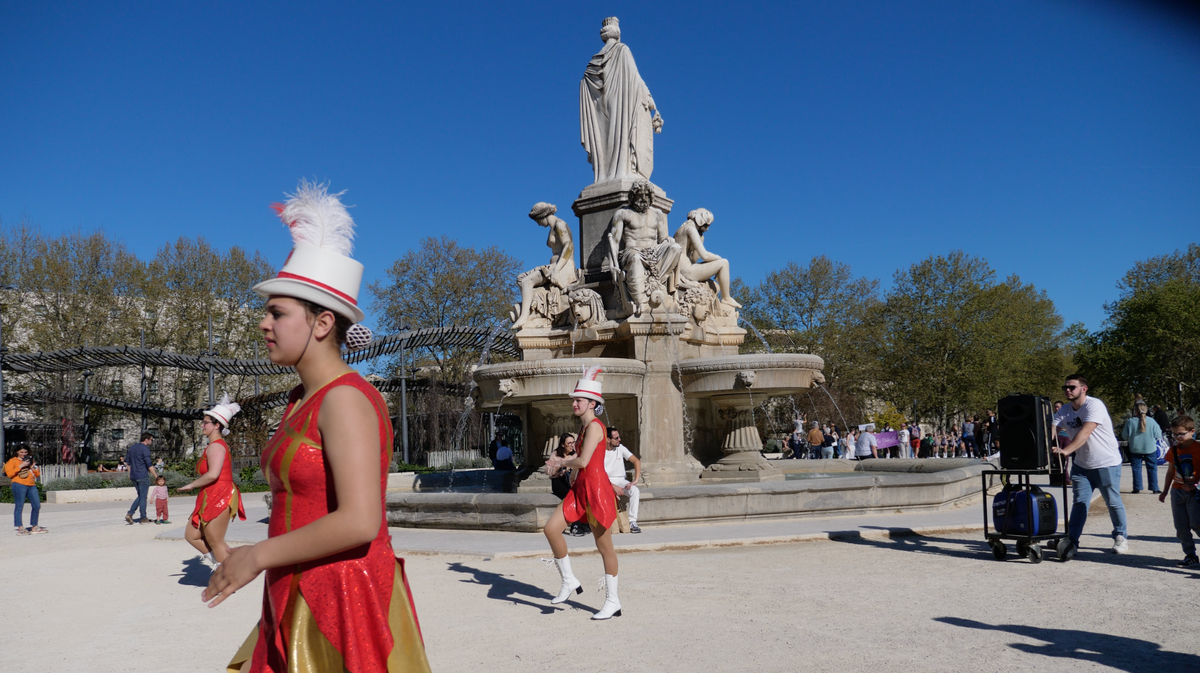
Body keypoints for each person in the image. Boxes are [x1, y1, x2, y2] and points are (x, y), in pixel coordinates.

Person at [205, 182, 430, 671]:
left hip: (341, 600)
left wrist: (257, 555)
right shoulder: (299, 399)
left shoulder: (345, 399)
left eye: (277, 312)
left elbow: (359, 521)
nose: (264, 323)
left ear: (323, 323)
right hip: (296, 590)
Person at [541, 365, 622, 619]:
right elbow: (581, 463)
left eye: (578, 400)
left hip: (596, 491)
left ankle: (613, 601)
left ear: (591, 403)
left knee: (604, 546)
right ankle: (569, 581)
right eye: (575, 400)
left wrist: (560, 463)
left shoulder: (596, 427)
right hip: (580, 489)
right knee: (551, 529)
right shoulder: (585, 428)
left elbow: (584, 461)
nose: (574, 403)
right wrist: (570, 473)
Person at [1053, 374, 1128, 559]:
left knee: (1112, 501)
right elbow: (1051, 429)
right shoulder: (1064, 410)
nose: (1067, 390)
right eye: (1065, 388)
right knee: (1079, 503)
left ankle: (1120, 536)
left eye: (1072, 387)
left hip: (1106, 464)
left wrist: (1066, 450)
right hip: (1081, 466)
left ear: (1083, 389)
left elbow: (1085, 432)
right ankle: (1072, 540)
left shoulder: (1094, 405)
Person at [179, 394, 247, 564]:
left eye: (205, 422)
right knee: (192, 535)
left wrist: (191, 485)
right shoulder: (214, 445)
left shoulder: (216, 446)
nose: (202, 425)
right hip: (211, 493)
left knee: (215, 540)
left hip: (220, 493)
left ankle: (226, 574)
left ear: (217, 425)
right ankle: (223, 563)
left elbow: (213, 474)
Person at [1159, 416, 1200, 567]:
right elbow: (1170, 471)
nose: (1178, 437)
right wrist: (1164, 491)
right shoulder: (1174, 450)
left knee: (1197, 523)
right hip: (1177, 491)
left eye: (1181, 434)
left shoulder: (1198, 449)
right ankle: (1190, 554)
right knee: (1181, 526)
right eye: (1175, 434)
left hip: (1194, 493)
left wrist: (1195, 484)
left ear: (1192, 431)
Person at [605, 427, 643, 533]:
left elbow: (636, 461)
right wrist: (613, 487)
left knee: (635, 490)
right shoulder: (600, 451)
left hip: (621, 480)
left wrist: (635, 480)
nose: (619, 439)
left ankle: (632, 522)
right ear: (608, 439)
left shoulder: (620, 448)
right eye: (616, 438)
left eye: (619, 437)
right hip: (605, 481)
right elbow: (600, 475)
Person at [1123, 401, 1163, 494]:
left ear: (1135, 411)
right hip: (1150, 448)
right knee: (1152, 468)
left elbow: (1125, 436)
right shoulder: (1152, 421)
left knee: (1136, 468)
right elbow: (1158, 434)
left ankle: (1137, 488)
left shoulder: (1130, 421)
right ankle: (1154, 487)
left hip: (1135, 448)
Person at [6, 448, 47, 535]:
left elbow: (37, 474)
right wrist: (21, 466)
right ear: (17, 452)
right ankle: (20, 528)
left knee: (36, 505)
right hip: (19, 484)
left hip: (31, 484)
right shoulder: (13, 461)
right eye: (21, 452)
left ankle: (34, 526)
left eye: (25, 452)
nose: (23, 454)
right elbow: (9, 474)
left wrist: (33, 467)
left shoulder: (30, 460)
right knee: (19, 506)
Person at [124, 433, 157, 525]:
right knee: (143, 497)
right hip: (142, 475)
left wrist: (130, 474)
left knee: (141, 496)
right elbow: (149, 464)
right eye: (151, 439)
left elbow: (128, 462)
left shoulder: (132, 448)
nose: (151, 441)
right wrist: (156, 476)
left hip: (134, 476)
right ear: (146, 439)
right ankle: (142, 518)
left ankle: (130, 514)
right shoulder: (145, 449)